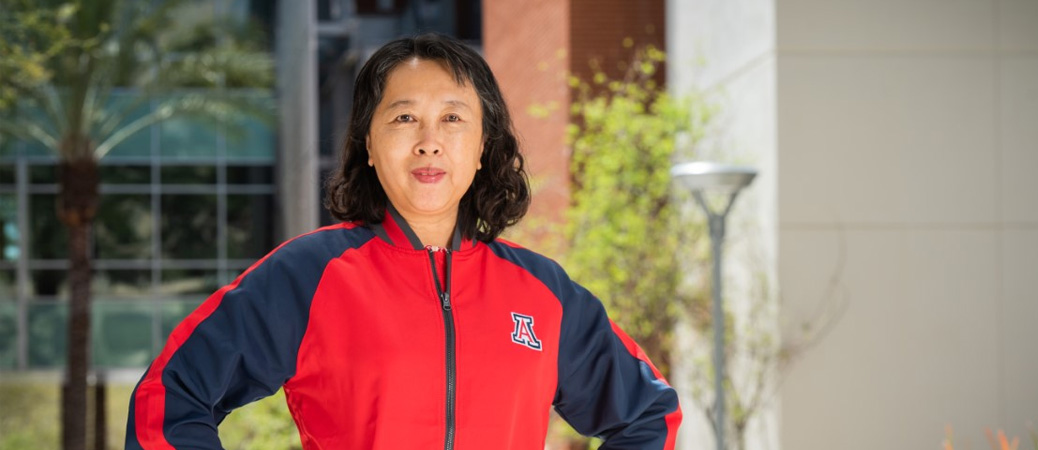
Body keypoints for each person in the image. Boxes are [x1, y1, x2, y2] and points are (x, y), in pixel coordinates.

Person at [125, 33, 681, 449]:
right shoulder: (308, 276)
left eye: (453, 118)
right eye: (405, 117)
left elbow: (650, 415)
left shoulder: (544, 294)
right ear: (368, 143)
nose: (429, 142)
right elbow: (167, 398)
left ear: (483, 143)